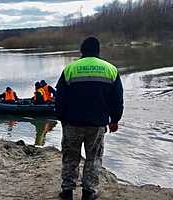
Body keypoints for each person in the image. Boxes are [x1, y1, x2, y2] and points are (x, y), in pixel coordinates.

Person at [55, 37, 124, 200]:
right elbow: (117, 100)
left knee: (70, 156)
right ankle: (88, 192)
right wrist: (115, 120)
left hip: (72, 123)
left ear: (82, 51)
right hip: (97, 123)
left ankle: (67, 191)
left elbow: (59, 99)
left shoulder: (70, 69)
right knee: (93, 158)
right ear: (98, 51)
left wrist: (62, 119)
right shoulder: (111, 69)